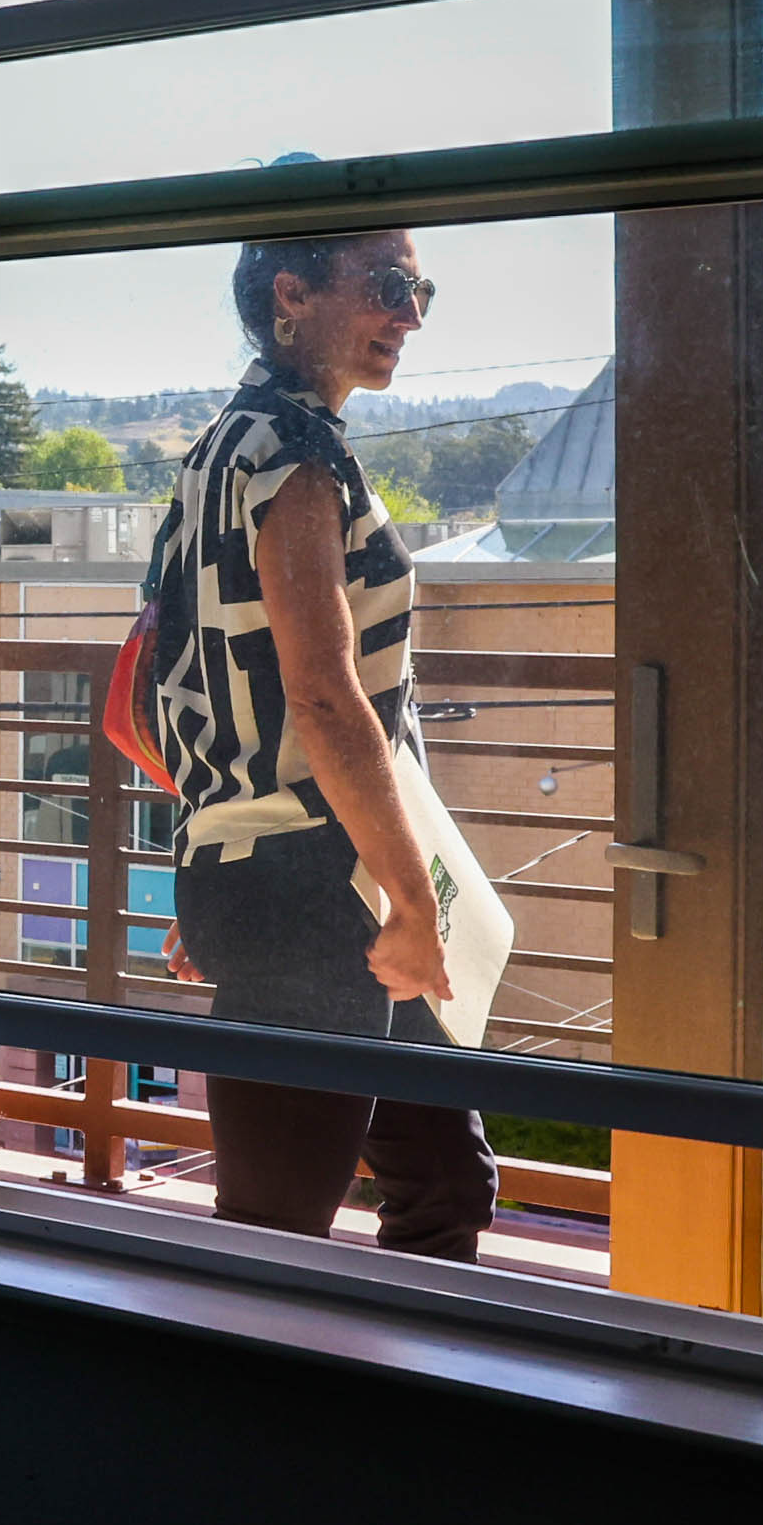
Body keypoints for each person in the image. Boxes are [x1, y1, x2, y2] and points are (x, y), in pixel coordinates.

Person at [146, 227, 499, 1261]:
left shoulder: (231, 444)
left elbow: (192, 671)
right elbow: (325, 698)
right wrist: (414, 901)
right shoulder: (291, 457)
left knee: (443, 1181)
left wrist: (222, 856)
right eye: (387, 286)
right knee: (272, 1236)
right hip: (311, 887)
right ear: (291, 295)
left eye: (421, 289)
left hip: (300, 879)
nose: (410, 313)